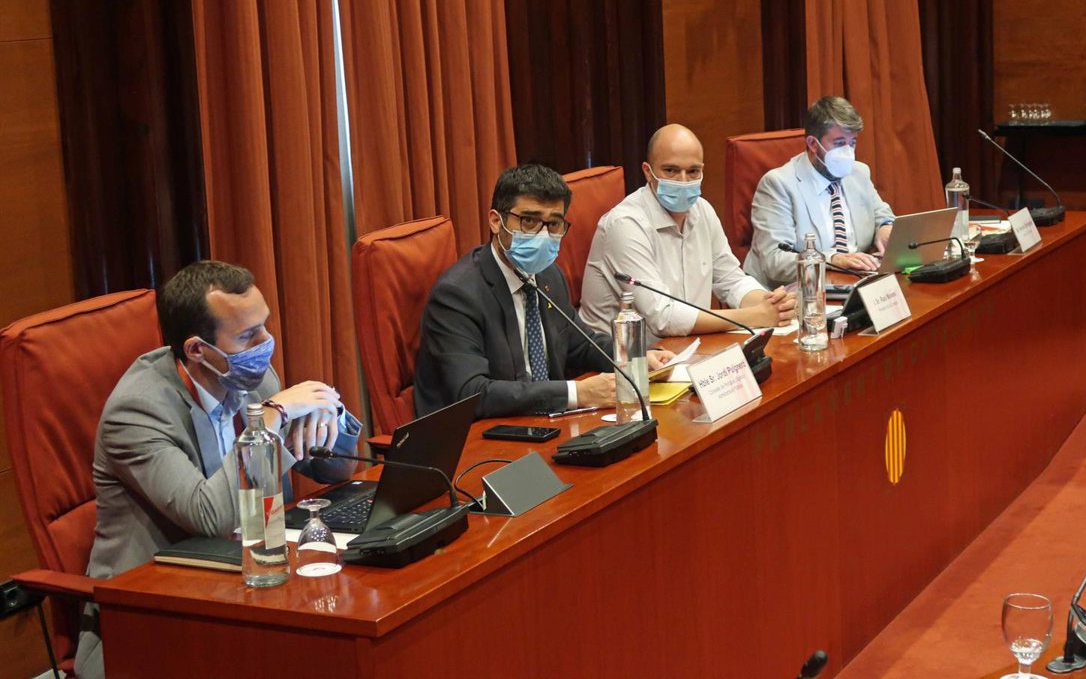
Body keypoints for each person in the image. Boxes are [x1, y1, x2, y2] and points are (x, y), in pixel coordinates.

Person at [75, 260, 362, 679]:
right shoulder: (136, 412)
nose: (266, 343)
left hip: (255, 584)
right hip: (153, 615)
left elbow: (337, 470)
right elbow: (210, 517)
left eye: (265, 325)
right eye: (248, 335)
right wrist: (271, 418)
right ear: (197, 350)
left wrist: (328, 414)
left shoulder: (252, 379)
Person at [413, 164, 674, 419]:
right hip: (483, 433)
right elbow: (472, 394)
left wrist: (637, 356)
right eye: (529, 221)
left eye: (554, 224)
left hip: (543, 422)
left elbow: (581, 345)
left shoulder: (549, 275)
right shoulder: (457, 295)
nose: (542, 234)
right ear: (495, 221)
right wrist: (577, 393)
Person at [579, 124, 795, 338]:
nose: (683, 181)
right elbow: (662, 317)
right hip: (622, 354)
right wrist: (754, 316)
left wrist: (771, 304)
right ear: (648, 172)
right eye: (671, 171)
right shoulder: (625, 224)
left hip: (687, 346)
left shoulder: (703, 210)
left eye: (693, 171)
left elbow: (731, 280)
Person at [743, 96, 896, 288]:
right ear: (813, 144)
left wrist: (885, 227)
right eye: (839, 143)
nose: (848, 152)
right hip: (793, 290)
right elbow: (774, 261)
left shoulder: (858, 172)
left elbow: (881, 213)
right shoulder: (778, 185)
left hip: (854, 283)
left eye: (852, 143)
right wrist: (833, 260)